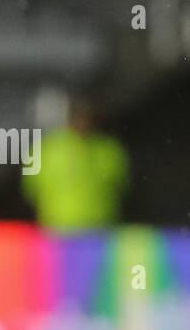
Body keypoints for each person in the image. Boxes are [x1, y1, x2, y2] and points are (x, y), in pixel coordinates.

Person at [23, 98, 128, 232]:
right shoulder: (44, 150)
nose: (83, 123)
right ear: (68, 119)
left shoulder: (110, 150)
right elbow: (31, 191)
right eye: (79, 117)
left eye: (86, 118)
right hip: (56, 229)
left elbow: (121, 186)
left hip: (101, 229)